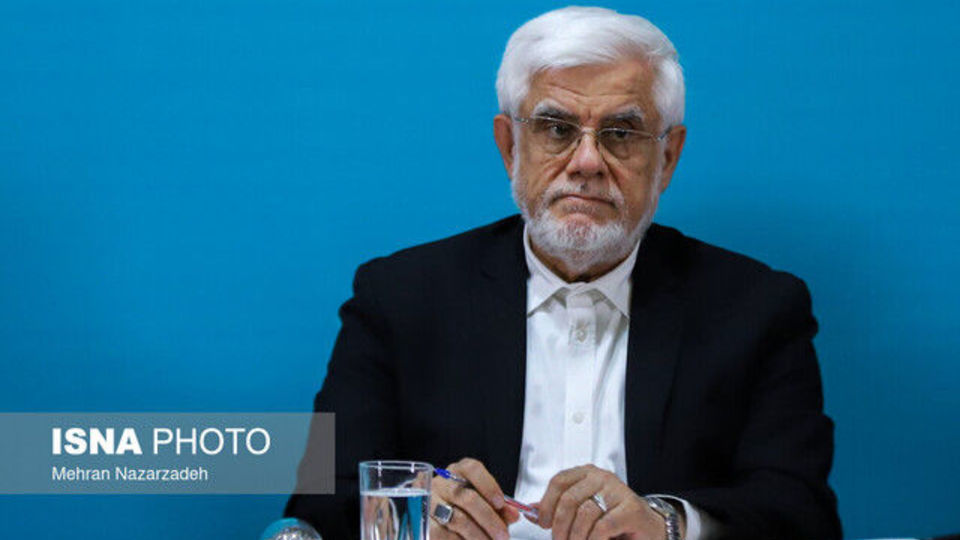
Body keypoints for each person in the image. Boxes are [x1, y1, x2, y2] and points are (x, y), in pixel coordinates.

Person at [286, 6, 842, 540]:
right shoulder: (400, 298)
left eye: (620, 133)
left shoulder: (756, 310)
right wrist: (413, 517)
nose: (587, 162)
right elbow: (315, 508)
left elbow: (802, 512)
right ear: (510, 146)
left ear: (667, 158)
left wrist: (667, 524)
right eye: (556, 128)